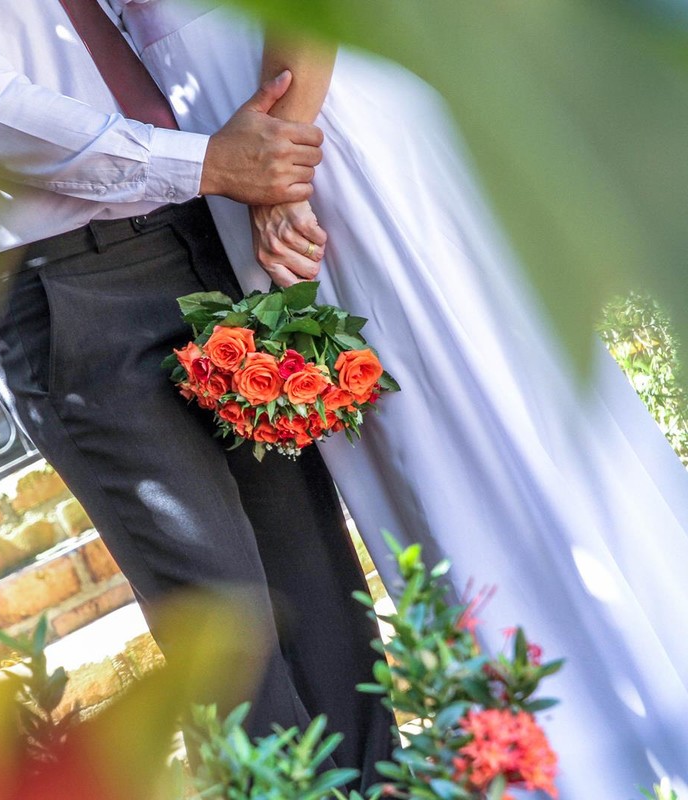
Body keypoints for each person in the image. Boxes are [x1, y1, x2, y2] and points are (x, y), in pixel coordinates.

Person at [0, 0, 394, 784]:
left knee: (320, 589)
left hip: (196, 233)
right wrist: (212, 165)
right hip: (66, 287)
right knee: (223, 639)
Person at [113, 1, 688, 795]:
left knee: (480, 417)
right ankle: (536, 752)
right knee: (407, 465)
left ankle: (616, 715)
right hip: (246, 148)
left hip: (311, 122)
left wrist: (285, 170)